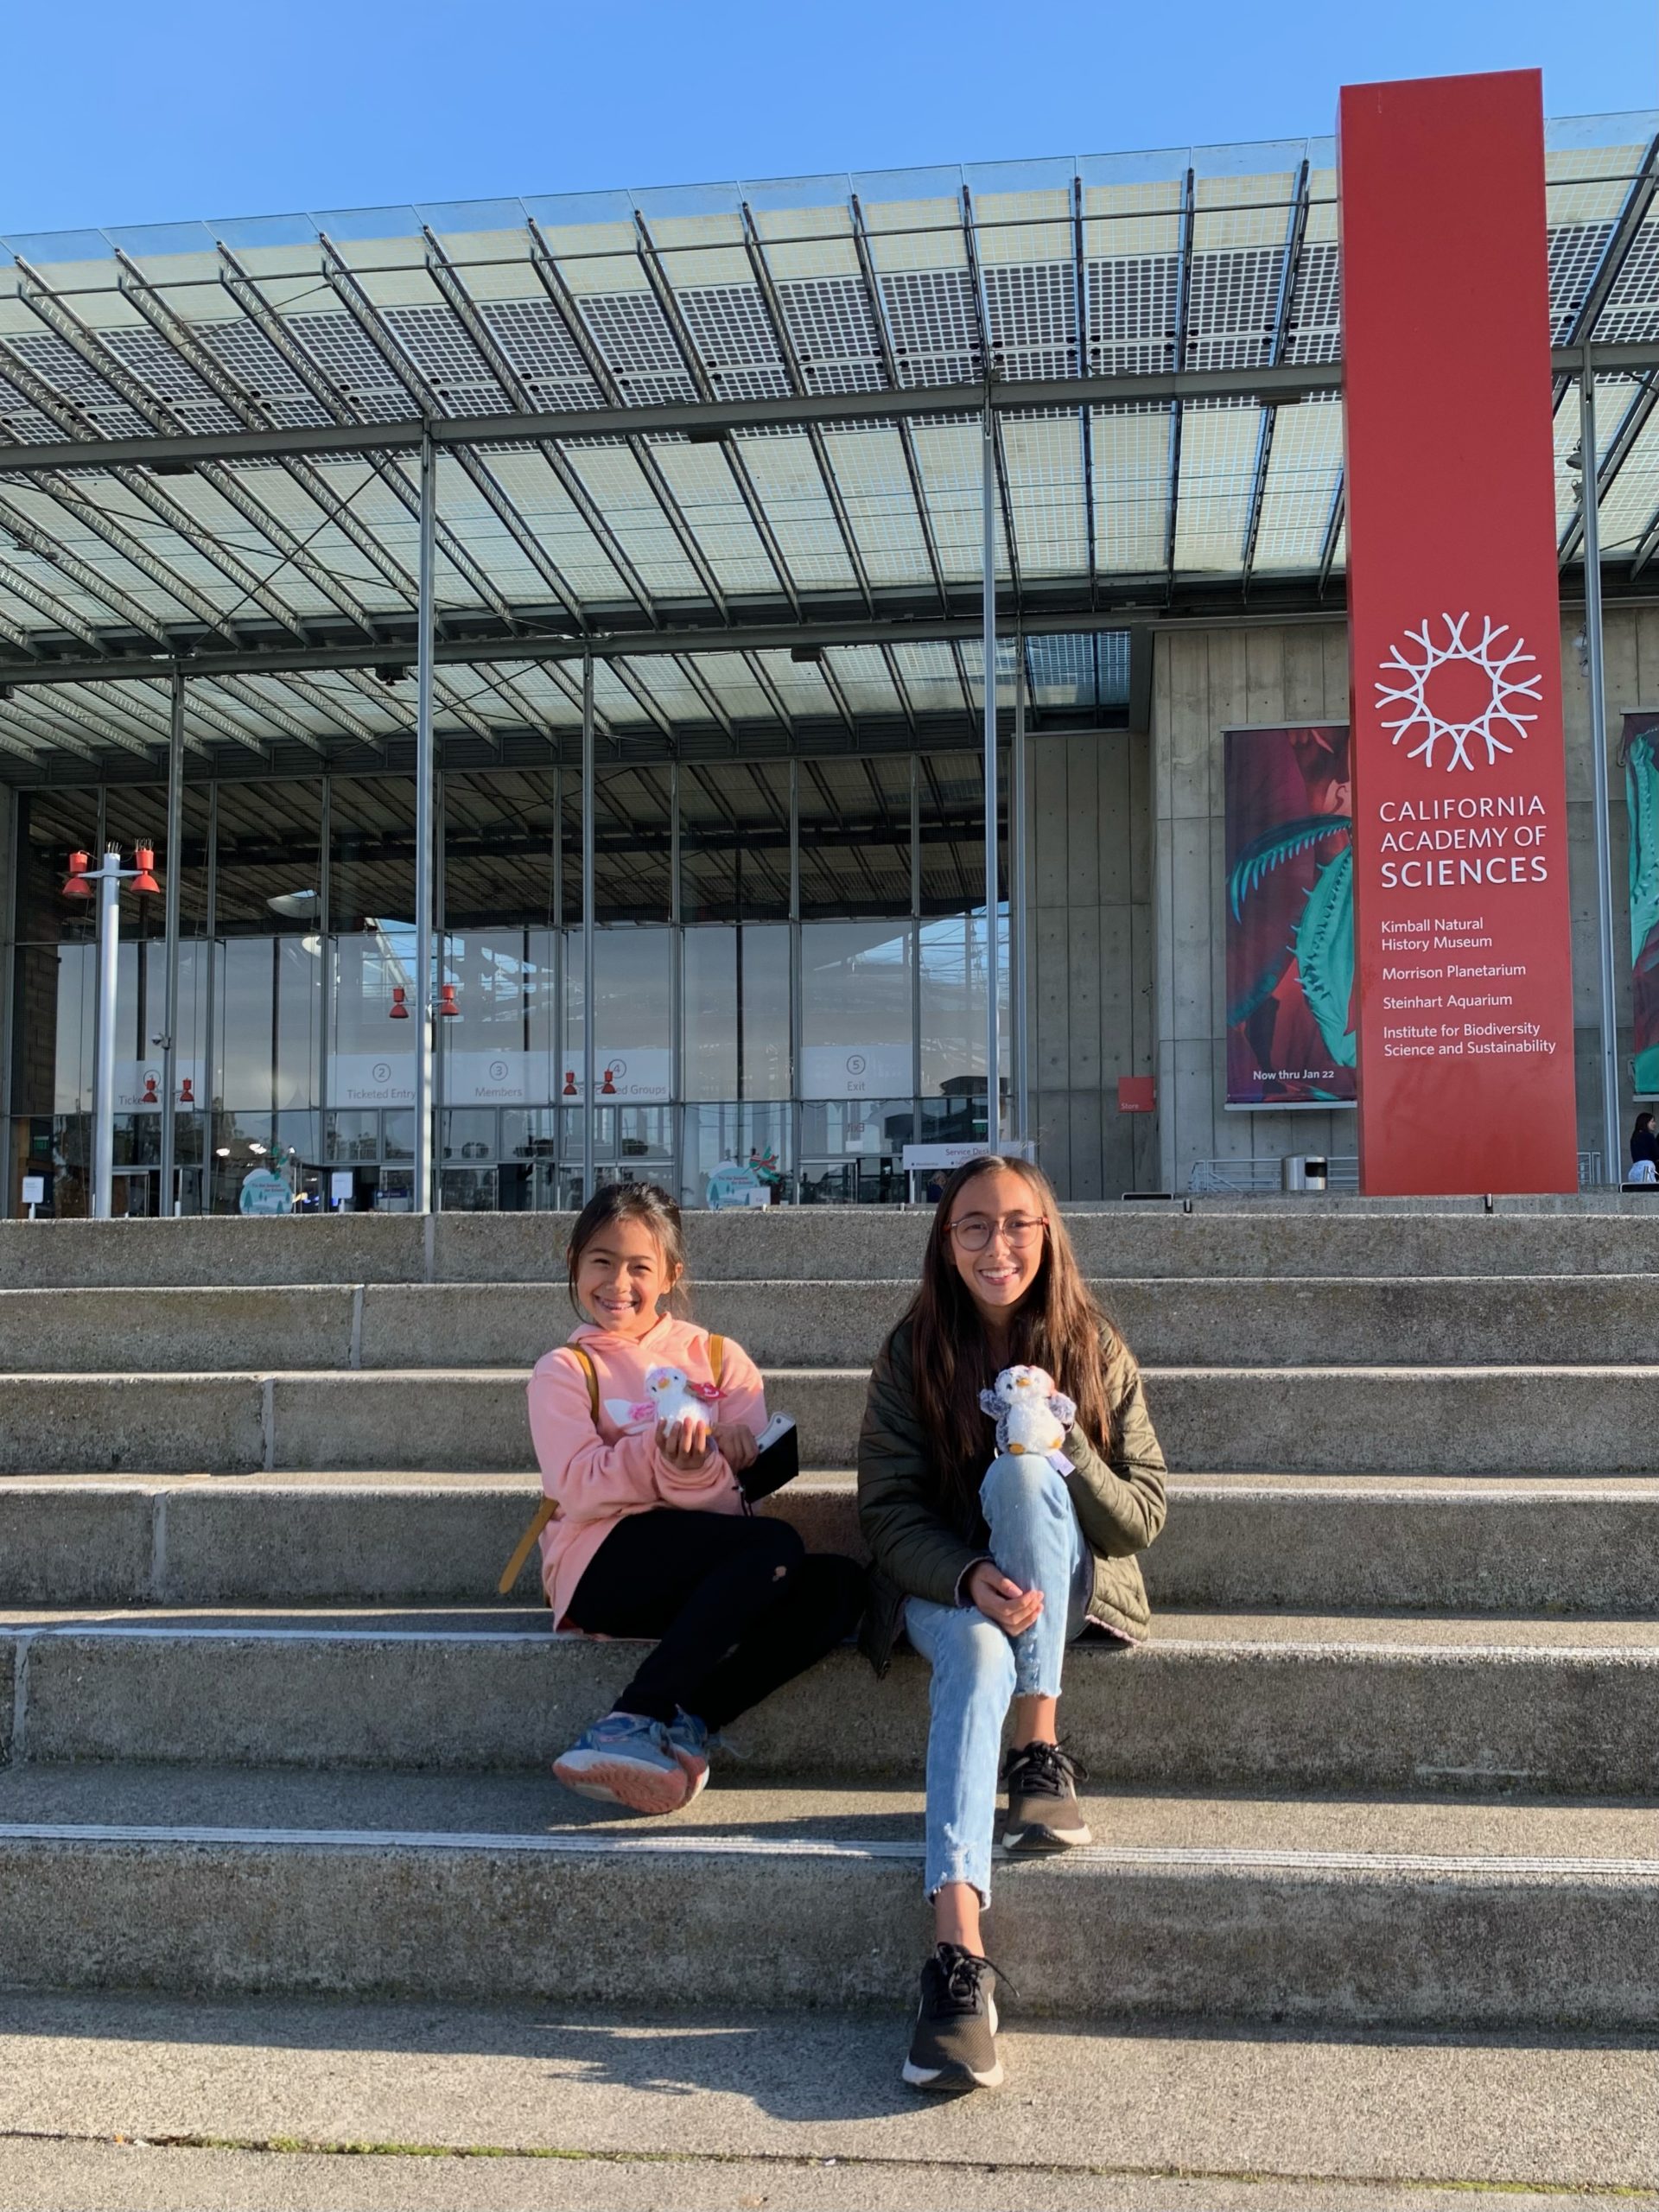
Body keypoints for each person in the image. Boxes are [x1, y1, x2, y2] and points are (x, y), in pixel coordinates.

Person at [857, 1154, 1167, 2093]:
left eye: (1018, 1223)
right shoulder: (912, 1350)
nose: (999, 1245)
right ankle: (957, 1956)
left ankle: (1039, 1746)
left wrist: (1064, 1441)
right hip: (946, 1590)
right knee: (981, 1651)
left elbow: (1144, 1512)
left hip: (1061, 1583)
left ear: (1049, 1232)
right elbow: (886, 1511)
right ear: (946, 1242)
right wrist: (963, 1573)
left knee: (1026, 1474)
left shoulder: (1095, 1345)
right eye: (974, 1226)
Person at [530, 1182, 864, 1815]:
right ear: (573, 1261)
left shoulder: (720, 1359)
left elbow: (732, 1508)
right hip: (603, 1565)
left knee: (839, 1585)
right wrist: (659, 1455)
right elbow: (577, 1487)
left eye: (639, 1267)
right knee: (775, 1543)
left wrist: (700, 1467)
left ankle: (689, 1725)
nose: (617, 1283)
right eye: (600, 1260)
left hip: (705, 1572)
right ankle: (630, 1719)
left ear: (671, 1275)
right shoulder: (566, 1370)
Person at [1630, 1112, 1658, 1183]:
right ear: (1646, 1122)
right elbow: (1657, 1154)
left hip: (1635, 1169)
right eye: (1652, 1121)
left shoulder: (1634, 1137)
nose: (1654, 1124)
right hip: (1646, 1169)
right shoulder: (1649, 1136)